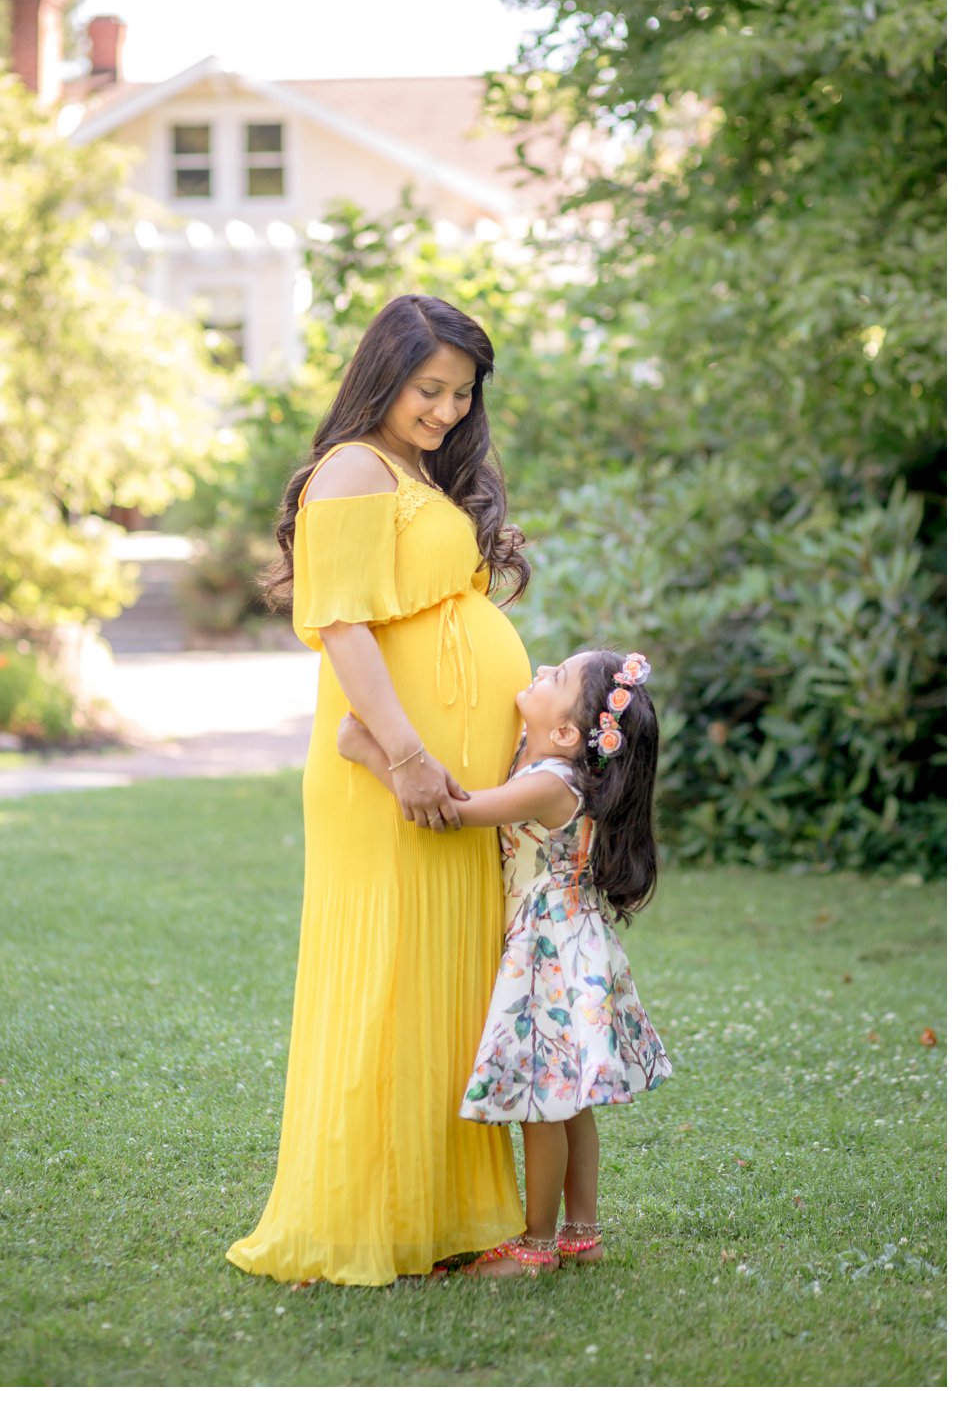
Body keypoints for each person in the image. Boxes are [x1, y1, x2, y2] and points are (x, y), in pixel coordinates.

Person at [226, 294, 533, 1287]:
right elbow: (342, 622)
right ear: (381, 375)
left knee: (444, 986)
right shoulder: (353, 467)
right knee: (395, 980)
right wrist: (403, 752)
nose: (443, 408)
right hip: (389, 764)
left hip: (440, 762)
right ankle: (384, 1222)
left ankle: (445, 1224)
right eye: (426, 387)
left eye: (459, 392)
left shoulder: (412, 471)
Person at [339, 647, 672, 1275]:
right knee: (570, 1103)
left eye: (557, 677)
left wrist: (373, 755)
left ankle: (535, 1245)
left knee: (543, 1104)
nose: (542, 671)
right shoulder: (551, 763)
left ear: (570, 732)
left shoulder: (550, 783)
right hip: (569, 942)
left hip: (547, 949)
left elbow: (456, 816)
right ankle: (583, 1232)